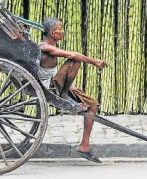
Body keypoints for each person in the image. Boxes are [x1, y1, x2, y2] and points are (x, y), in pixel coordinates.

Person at [37, 17, 107, 163]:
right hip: (51, 87)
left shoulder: (50, 46)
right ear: (52, 32)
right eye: (60, 29)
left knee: (92, 104)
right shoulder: (45, 47)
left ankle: (84, 146)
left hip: (56, 84)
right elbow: (73, 55)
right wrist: (95, 61)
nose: (62, 32)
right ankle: (64, 93)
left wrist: (70, 87)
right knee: (75, 60)